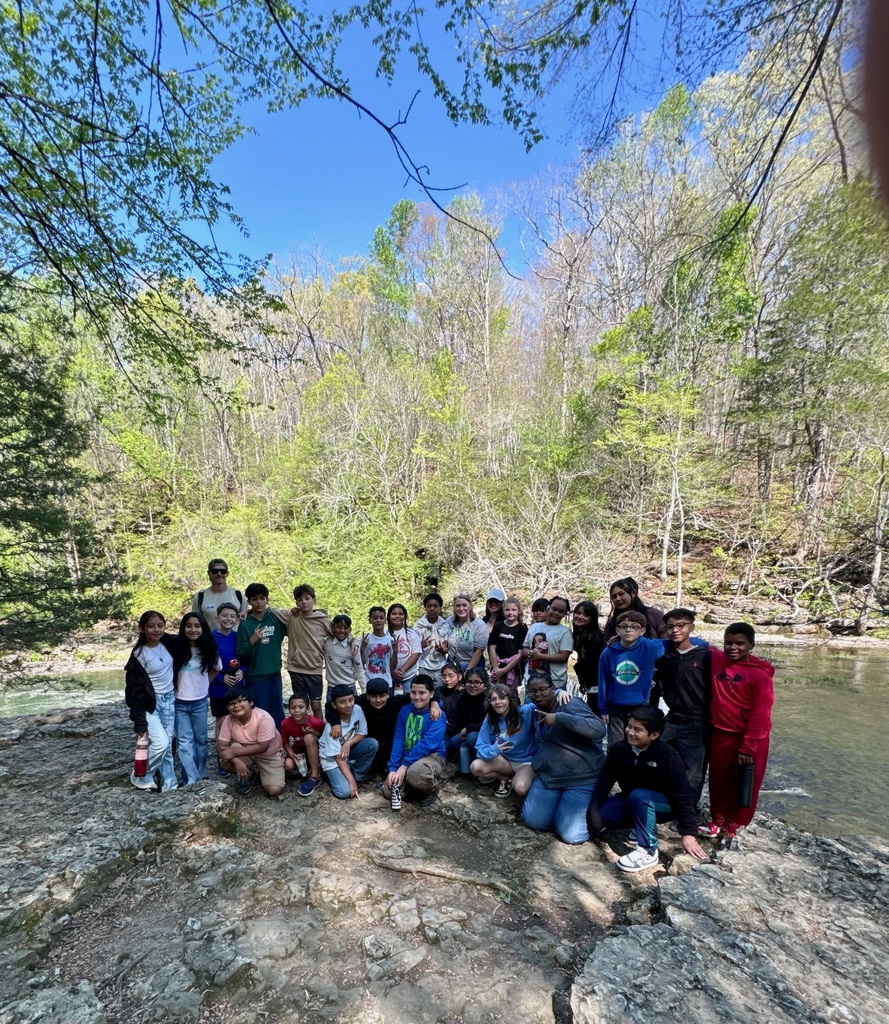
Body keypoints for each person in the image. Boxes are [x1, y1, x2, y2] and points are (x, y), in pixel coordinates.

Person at [587, 705, 708, 872]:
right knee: (605, 815)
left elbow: (683, 794)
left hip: (663, 804)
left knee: (640, 796)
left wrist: (688, 832)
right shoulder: (619, 750)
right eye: (629, 726)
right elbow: (605, 782)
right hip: (632, 798)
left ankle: (648, 850)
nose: (630, 732)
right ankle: (640, 826)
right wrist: (594, 809)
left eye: (638, 730)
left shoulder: (668, 756)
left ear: (654, 735)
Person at [699, 623, 775, 841]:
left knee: (745, 784)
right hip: (721, 734)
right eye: (728, 643)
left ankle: (734, 826)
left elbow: (761, 714)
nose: (733, 648)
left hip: (750, 738)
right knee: (718, 781)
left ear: (751, 645)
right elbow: (695, 643)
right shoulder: (716, 659)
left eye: (740, 643)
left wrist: (749, 746)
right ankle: (717, 821)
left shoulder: (760, 676)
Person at [520, 673, 607, 844]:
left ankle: (596, 807)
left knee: (571, 836)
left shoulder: (568, 703)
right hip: (550, 776)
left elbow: (599, 729)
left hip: (581, 779)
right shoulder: (535, 709)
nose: (538, 695)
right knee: (533, 821)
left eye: (542, 690)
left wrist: (560, 718)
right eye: (533, 692)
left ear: (553, 689)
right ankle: (560, 811)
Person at [650, 608, 711, 806]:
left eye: (681, 625)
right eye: (670, 627)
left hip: (697, 721)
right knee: (657, 757)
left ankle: (687, 814)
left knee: (692, 770)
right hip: (673, 718)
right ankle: (662, 802)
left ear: (691, 627)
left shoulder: (705, 656)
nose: (675, 630)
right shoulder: (666, 659)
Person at [124, 610, 180, 792]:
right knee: (161, 743)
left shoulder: (168, 642)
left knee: (168, 746)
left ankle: (169, 784)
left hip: (169, 700)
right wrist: (139, 722)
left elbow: (192, 639)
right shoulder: (139, 655)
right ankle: (141, 774)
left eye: (160, 625)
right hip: (151, 704)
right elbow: (133, 692)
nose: (156, 630)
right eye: (151, 626)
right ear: (142, 629)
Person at [598, 610, 668, 748]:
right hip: (615, 707)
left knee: (638, 744)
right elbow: (602, 681)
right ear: (617, 630)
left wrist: (705, 645)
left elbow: (675, 643)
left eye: (634, 626)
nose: (628, 630)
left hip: (639, 706)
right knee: (615, 745)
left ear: (642, 630)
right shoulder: (609, 652)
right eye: (623, 626)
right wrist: (603, 709)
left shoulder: (650, 647)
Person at [383, 675, 448, 810]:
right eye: (413, 692)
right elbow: (399, 738)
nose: (417, 697)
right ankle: (413, 785)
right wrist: (393, 768)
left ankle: (432, 788)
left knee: (416, 773)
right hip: (409, 756)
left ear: (431, 694)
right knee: (388, 791)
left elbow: (427, 744)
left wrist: (404, 766)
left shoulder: (437, 715)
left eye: (422, 693)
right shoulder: (405, 710)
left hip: (432, 756)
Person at [273, 583, 332, 719]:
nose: (304, 602)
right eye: (300, 600)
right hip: (296, 668)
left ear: (314, 600)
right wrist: (248, 611)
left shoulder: (323, 620)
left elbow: (340, 633)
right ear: (296, 602)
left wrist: (353, 642)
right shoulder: (292, 616)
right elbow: (269, 610)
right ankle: (302, 733)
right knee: (300, 705)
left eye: (307, 598)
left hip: (314, 668)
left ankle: (319, 732)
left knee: (316, 705)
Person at [174, 612, 220, 785]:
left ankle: (202, 773)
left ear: (203, 628)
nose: (193, 629)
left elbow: (217, 668)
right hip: (179, 702)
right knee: (185, 742)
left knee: (201, 740)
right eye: (188, 626)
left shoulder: (208, 648)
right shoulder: (176, 647)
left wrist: (204, 684)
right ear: (183, 628)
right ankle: (190, 779)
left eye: (197, 626)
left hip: (200, 702)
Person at [471, 683, 538, 798]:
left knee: (521, 789)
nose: (497, 702)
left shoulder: (524, 712)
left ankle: (519, 779)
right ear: (490, 702)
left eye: (502, 698)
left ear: (509, 699)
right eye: (493, 699)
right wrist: (494, 750)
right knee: (475, 767)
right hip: (505, 761)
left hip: (526, 762)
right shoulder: (490, 720)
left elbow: (542, 702)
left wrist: (559, 692)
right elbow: (480, 746)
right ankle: (506, 778)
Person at [216, 687, 286, 798]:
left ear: (251, 702)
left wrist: (233, 753)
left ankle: (265, 770)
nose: (236, 706)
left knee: (274, 791)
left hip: (269, 755)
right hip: (245, 750)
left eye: (240, 701)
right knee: (225, 762)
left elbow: (263, 747)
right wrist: (237, 761)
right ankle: (249, 774)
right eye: (232, 703)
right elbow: (221, 747)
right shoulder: (228, 719)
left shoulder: (263, 718)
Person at [236, 583, 287, 729]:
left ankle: (279, 745)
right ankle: (262, 746)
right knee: (260, 712)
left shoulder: (275, 618)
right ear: (249, 601)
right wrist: (252, 641)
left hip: (275, 674)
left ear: (267, 599)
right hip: (256, 676)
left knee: (278, 711)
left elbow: (296, 622)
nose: (258, 602)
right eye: (254, 599)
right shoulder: (245, 624)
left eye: (262, 598)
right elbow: (241, 654)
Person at [318, 685, 379, 799]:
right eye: (342, 702)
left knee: (372, 744)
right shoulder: (331, 728)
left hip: (347, 751)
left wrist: (348, 743)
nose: (348, 705)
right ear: (334, 705)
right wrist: (351, 782)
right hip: (332, 758)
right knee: (344, 792)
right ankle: (330, 774)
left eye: (350, 700)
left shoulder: (357, 709)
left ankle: (356, 775)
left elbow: (363, 732)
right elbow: (338, 758)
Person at [209, 602, 244, 775]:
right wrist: (222, 677)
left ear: (237, 619)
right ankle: (222, 756)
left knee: (238, 720)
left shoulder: (238, 636)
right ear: (217, 618)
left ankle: (236, 755)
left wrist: (242, 672)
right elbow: (206, 665)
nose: (228, 619)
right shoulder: (210, 638)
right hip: (217, 688)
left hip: (237, 687)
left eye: (232, 616)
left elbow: (244, 658)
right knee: (222, 722)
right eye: (225, 615)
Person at [522, 596, 574, 694]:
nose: (556, 613)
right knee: (530, 709)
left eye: (561, 611)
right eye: (554, 609)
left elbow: (564, 656)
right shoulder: (534, 627)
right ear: (548, 608)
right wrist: (531, 653)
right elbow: (524, 648)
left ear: (564, 614)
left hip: (555, 684)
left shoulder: (565, 632)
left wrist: (541, 656)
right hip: (531, 681)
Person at [444, 665, 488, 772]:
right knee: (454, 741)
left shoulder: (489, 700)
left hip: (485, 735)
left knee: (472, 738)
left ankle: (483, 763)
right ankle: (466, 765)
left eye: (477, 682)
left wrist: (468, 729)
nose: (472, 685)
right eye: (469, 682)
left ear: (485, 684)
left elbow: (488, 724)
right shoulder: (463, 699)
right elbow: (460, 720)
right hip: (467, 733)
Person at [280, 694, 325, 797]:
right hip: (300, 751)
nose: (297, 710)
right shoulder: (285, 724)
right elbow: (285, 742)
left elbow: (325, 737)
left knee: (308, 737)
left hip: (316, 748)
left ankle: (315, 776)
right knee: (288, 765)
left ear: (308, 709)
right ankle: (309, 765)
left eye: (301, 707)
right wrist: (291, 753)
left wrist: (314, 732)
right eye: (293, 707)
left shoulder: (316, 722)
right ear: (288, 709)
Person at [602, 577, 668, 641]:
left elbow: (666, 641)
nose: (618, 599)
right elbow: (606, 645)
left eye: (621, 594)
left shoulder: (654, 615)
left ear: (634, 593)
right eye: (614, 596)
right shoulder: (612, 622)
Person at [191, 558, 247, 629]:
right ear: (209, 573)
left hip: (234, 639)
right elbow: (195, 623)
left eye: (223, 571)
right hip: (209, 639)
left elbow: (245, 621)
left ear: (227, 574)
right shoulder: (200, 597)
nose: (219, 574)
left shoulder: (238, 596)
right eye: (215, 571)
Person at [571, 600, 606, 712]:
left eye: (585, 615)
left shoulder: (593, 638)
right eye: (578, 613)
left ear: (592, 619)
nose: (580, 616)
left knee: (595, 714)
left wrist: (583, 679)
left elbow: (590, 664)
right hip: (591, 683)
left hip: (597, 683)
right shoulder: (579, 635)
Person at [413, 592, 452, 688]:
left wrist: (443, 650)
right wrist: (421, 645)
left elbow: (448, 648)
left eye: (435, 606)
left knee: (440, 692)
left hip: (441, 665)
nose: (432, 609)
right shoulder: (418, 626)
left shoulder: (445, 625)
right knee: (425, 691)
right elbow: (412, 648)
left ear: (440, 608)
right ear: (425, 608)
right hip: (424, 665)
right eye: (429, 606)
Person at [488, 597, 527, 692]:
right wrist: (496, 670)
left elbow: (520, 654)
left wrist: (504, 670)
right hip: (497, 665)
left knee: (510, 694)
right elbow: (492, 648)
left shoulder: (522, 629)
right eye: (507, 610)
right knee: (496, 692)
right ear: (503, 611)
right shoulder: (498, 626)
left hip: (512, 668)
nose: (510, 613)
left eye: (513, 610)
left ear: (519, 611)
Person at [322, 614, 364, 695]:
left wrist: (364, 690)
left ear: (350, 629)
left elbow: (359, 670)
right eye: (338, 627)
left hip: (349, 687)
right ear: (333, 628)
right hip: (332, 688)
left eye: (345, 628)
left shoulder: (354, 647)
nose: (342, 630)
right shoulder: (326, 643)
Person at [446, 594, 488, 672]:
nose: (461, 608)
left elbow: (479, 651)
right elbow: (446, 644)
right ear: (454, 608)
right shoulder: (449, 622)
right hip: (452, 663)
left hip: (473, 664)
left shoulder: (479, 625)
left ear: (470, 606)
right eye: (458, 606)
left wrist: (468, 671)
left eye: (464, 605)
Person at [388, 603, 422, 693]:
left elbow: (416, 653)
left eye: (400, 614)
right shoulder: (384, 634)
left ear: (405, 616)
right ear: (388, 616)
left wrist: (402, 670)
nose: (397, 616)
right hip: (388, 677)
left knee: (408, 702)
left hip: (408, 677)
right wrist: (392, 672)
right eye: (394, 614)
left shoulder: (412, 633)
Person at [361, 606, 397, 691]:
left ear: (385, 620)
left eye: (381, 617)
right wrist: (362, 649)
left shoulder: (390, 640)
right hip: (369, 681)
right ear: (370, 620)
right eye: (375, 618)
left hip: (387, 682)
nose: (378, 620)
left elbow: (393, 667)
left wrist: (395, 651)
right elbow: (362, 664)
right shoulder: (365, 639)